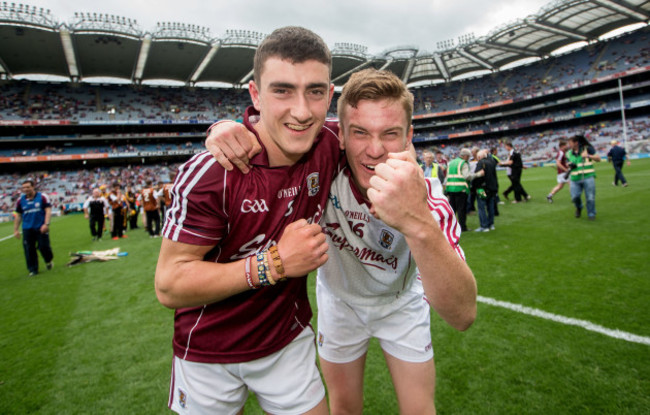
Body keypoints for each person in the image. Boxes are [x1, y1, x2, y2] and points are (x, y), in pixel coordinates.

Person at [206, 68, 478, 415]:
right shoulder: (321, 169)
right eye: (360, 132)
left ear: (410, 136)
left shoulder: (428, 198)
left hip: (400, 303)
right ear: (341, 136)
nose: (375, 149)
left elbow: (463, 315)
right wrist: (223, 128)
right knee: (344, 409)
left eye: (391, 134)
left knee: (419, 410)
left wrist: (417, 221)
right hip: (339, 302)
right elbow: (277, 127)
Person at [154, 26, 339, 415]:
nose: (302, 111)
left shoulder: (330, 144)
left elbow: (381, 131)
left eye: (316, 92)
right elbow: (170, 285)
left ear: (330, 96)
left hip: (287, 340)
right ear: (255, 95)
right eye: (282, 90)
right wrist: (273, 263)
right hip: (208, 352)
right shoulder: (213, 171)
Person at [13, 180, 54, 276]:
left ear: (33, 186)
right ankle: (33, 269)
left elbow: (48, 210)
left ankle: (48, 260)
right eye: (24, 188)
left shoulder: (42, 197)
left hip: (41, 227)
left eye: (28, 187)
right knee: (29, 249)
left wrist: (46, 224)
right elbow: (18, 215)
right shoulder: (20, 200)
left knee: (44, 247)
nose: (26, 189)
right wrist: (16, 230)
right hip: (27, 228)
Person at [444, 148, 484, 232]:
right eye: (468, 156)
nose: (469, 158)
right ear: (465, 156)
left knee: (453, 209)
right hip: (461, 189)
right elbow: (467, 176)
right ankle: (463, 227)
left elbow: (447, 177)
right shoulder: (463, 163)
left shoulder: (451, 162)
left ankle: (452, 226)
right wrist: (478, 174)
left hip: (450, 188)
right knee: (461, 209)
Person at [567, 135, 601, 220]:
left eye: (570, 143)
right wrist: (569, 165)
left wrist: (588, 156)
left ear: (576, 143)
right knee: (574, 197)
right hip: (575, 178)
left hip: (588, 177)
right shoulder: (568, 153)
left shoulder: (587, 148)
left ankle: (591, 213)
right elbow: (568, 163)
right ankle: (579, 207)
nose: (569, 145)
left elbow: (598, 158)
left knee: (590, 197)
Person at [473, 149, 498, 232]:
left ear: (479, 157)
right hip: (491, 188)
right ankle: (491, 224)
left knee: (481, 207)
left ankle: (484, 226)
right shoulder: (492, 162)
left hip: (482, 189)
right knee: (490, 206)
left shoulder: (481, 163)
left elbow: (478, 176)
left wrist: (474, 186)